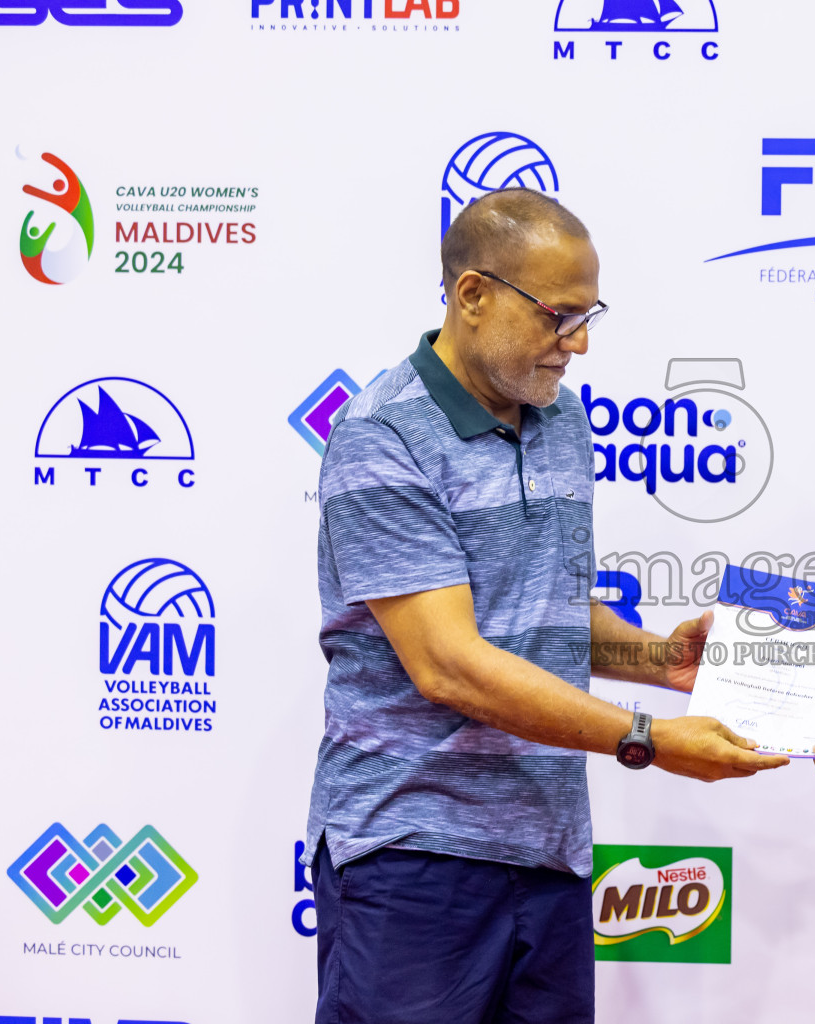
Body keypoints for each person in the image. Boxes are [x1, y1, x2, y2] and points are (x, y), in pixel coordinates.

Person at [303, 188, 787, 1024]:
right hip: (412, 853)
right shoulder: (383, 436)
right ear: (473, 295)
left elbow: (544, 610)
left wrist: (663, 663)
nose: (580, 343)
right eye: (559, 317)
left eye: (589, 315)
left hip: (550, 854)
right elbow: (450, 663)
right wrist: (646, 739)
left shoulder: (558, 422)